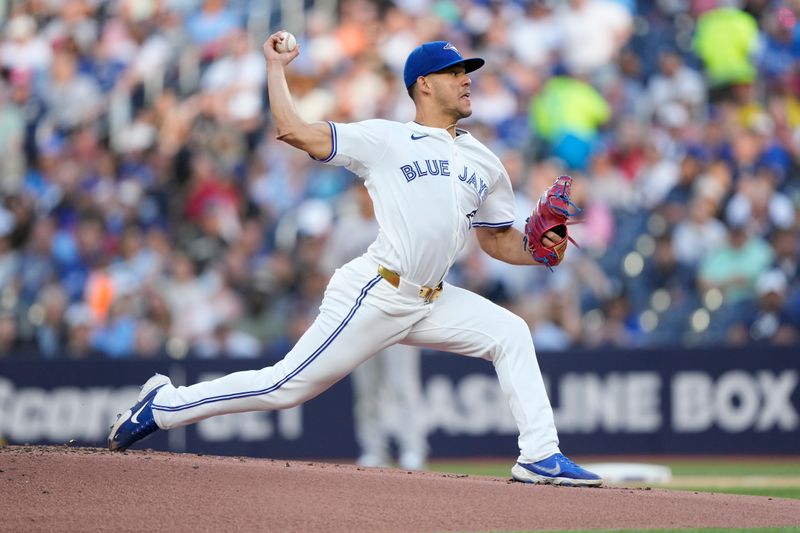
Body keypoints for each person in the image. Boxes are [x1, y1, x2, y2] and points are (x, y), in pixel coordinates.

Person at [108, 34, 602, 487]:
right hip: (378, 290)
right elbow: (293, 130)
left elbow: (497, 241)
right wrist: (274, 68)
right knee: (284, 387)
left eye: (467, 71)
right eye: (455, 73)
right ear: (424, 85)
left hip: (432, 299)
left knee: (511, 332)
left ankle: (539, 454)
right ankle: (165, 405)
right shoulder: (387, 138)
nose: (467, 79)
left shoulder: (485, 161)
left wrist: (540, 251)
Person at [322, 183, 428, 470]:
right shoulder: (346, 228)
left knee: (403, 386)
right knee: (367, 390)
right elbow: (330, 272)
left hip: (396, 314)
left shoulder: (395, 222)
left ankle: (412, 449)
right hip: (359, 320)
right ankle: (373, 450)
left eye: (368, 191)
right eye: (360, 191)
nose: (364, 197)